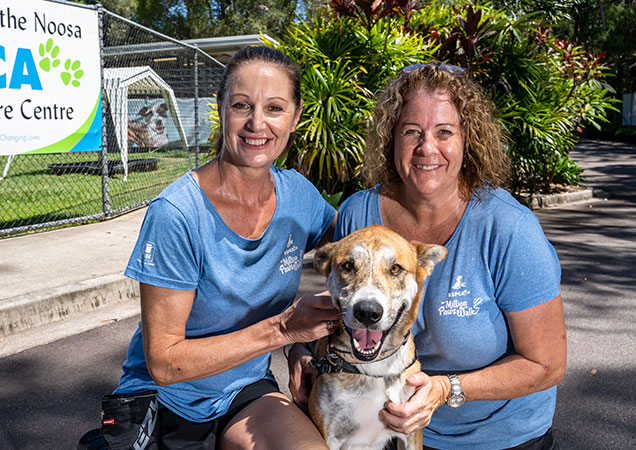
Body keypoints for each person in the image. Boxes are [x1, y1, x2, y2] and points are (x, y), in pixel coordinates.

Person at [288, 64, 566, 449]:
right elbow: (346, 307)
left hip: (494, 436)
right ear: (391, 137)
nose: (427, 148)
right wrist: (299, 349)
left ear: (469, 140)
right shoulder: (358, 214)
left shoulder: (508, 228)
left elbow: (547, 364)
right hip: (380, 427)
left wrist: (445, 389)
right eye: (411, 132)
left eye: (444, 132)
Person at [91, 46, 339, 450]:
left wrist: (305, 344)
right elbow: (165, 363)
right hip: (167, 399)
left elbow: (359, 257)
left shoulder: (300, 197)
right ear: (220, 109)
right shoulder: (177, 213)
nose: (257, 123)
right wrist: (284, 330)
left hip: (245, 390)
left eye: (274, 108)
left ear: (295, 117)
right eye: (242, 105)